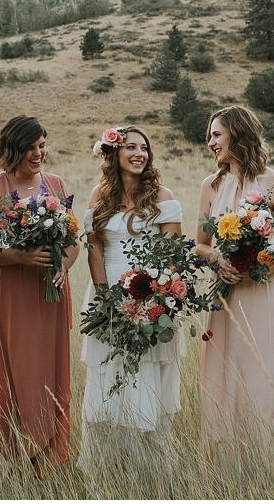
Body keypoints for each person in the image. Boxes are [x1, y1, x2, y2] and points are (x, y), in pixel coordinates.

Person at [194, 105, 274, 462]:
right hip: (225, 300)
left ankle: (270, 460)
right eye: (210, 135)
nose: (210, 142)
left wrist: (258, 267)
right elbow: (199, 243)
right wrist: (218, 260)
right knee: (226, 376)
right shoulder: (210, 186)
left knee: (263, 375)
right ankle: (226, 462)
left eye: (216, 134)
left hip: (262, 296)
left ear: (238, 134)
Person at [0, 115, 79, 474]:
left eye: (42, 146)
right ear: (13, 149)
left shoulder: (56, 184)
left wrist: (62, 266)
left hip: (48, 296)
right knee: (11, 369)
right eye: (30, 147)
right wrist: (20, 256)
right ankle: (9, 453)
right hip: (9, 296)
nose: (38, 154)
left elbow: (72, 241)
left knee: (47, 371)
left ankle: (47, 457)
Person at [78, 125, 185, 468]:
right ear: (114, 154)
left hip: (150, 296)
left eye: (144, 148)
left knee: (145, 374)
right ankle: (109, 466)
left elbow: (172, 256)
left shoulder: (163, 197)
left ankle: (149, 466)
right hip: (107, 292)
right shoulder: (100, 195)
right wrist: (106, 298)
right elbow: (93, 248)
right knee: (108, 373)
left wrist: (153, 299)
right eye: (131, 147)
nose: (140, 153)